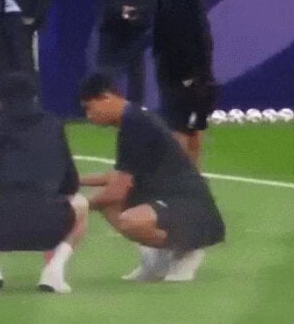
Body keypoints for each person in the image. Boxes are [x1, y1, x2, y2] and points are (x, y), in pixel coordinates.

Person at [79, 73, 225, 282]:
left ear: (106, 97)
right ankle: (155, 261)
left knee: (128, 220)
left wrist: (78, 206)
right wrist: (77, 180)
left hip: (192, 210)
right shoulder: (132, 120)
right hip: (171, 200)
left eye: (89, 107)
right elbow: (119, 176)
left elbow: (116, 191)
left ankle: (187, 250)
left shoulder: (135, 123)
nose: (89, 116)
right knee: (109, 204)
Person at [0, 72, 89, 295]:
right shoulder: (54, 127)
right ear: (35, 98)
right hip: (50, 227)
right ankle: (54, 270)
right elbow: (71, 182)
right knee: (81, 203)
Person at [153, 0, 217, 166]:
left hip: (179, 65)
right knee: (181, 127)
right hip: (183, 68)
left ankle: (193, 192)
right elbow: (178, 25)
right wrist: (189, 70)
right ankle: (179, 190)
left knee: (192, 127)